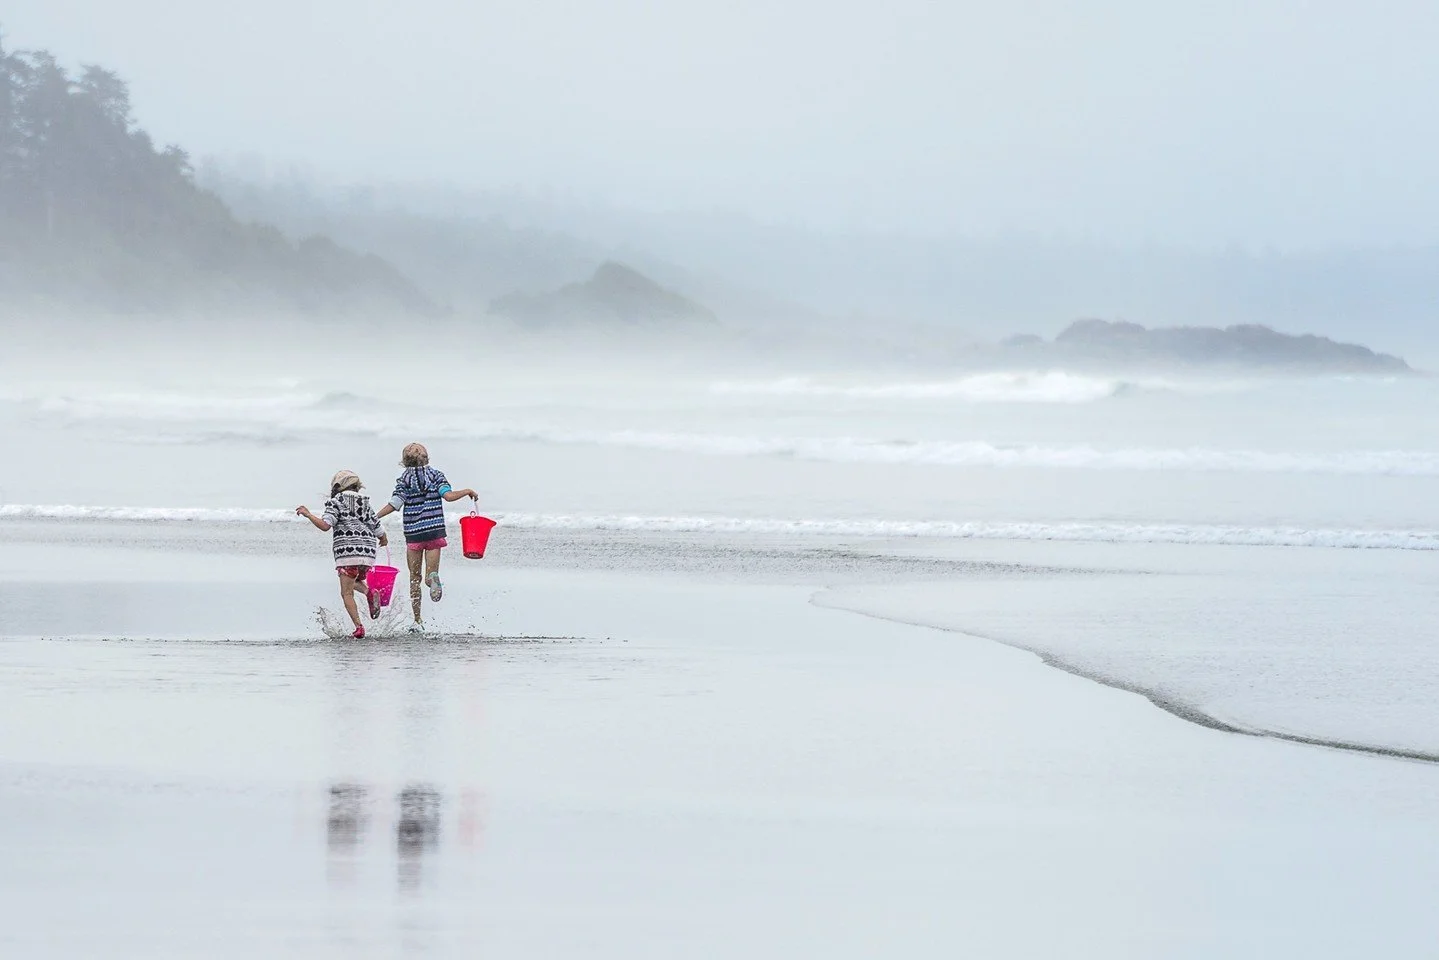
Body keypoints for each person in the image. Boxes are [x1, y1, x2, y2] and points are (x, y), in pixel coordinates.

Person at [375, 442, 477, 631]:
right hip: (434, 531)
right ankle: (433, 579)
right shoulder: (436, 475)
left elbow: (395, 504)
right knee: (430, 575)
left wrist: (374, 516)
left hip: (414, 534)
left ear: (404, 462)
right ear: (427, 458)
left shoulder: (404, 479)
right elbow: (448, 496)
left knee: (414, 577)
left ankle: (417, 620)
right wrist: (467, 491)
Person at [297, 470, 387, 639]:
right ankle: (369, 592)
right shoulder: (365, 502)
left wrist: (309, 515)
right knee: (355, 581)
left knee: (346, 593)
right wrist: (383, 539)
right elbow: (377, 526)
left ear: (337, 486)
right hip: (367, 554)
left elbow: (325, 525)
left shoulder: (336, 502)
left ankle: (359, 627)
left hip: (347, 553)